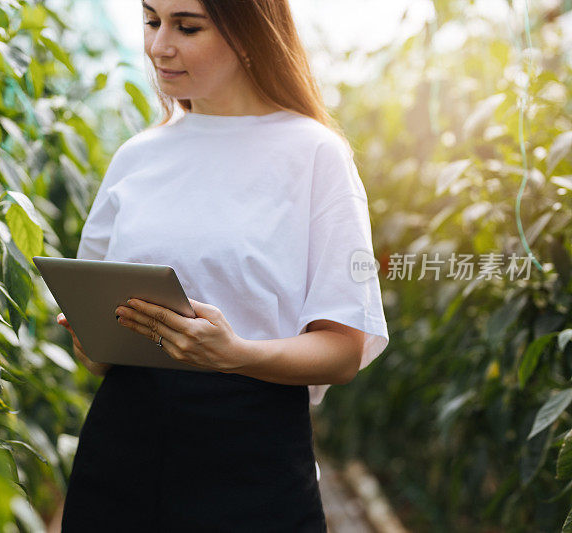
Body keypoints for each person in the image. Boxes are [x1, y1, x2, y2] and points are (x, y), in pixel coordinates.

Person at [56, 0, 389, 531]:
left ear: (248, 33)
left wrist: (235, 354)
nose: (160, 45)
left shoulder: (315, 155)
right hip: (121, 449)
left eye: (188, 27)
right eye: (151, 21)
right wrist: (92, 340)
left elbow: (344, 350)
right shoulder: (136, 158)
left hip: (251, 461)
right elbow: (99, 354)